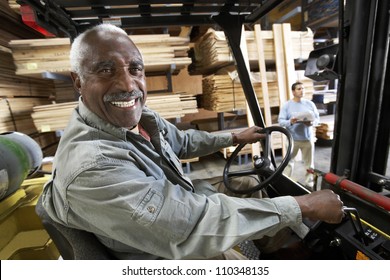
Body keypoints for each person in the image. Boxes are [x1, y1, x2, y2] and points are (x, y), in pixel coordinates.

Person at [40, 23, 344, 260]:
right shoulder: (93, 166)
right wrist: (302, 205)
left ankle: (283, 249)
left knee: (248, 185)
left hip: (174, 204)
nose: (127, 84)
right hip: (154, 254)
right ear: (78, 80)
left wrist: (234, 135)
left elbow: (182, 141)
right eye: (105, 70)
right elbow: (189, 228)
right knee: (234, 263)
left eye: (135, 69)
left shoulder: (139, 117)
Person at [278, 82, 320, 188]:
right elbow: (281, 121)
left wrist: (311, 123)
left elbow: (317, 119)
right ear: (293, 91)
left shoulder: (310, 104)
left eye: (303, 88)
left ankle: (309, 184)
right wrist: (291, 122)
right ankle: (286, 182)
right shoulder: (287, 106)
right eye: (299, 89)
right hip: (293, 139)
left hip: (307, 139)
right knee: (288, 162)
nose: (302, 90)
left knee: (309, 164)